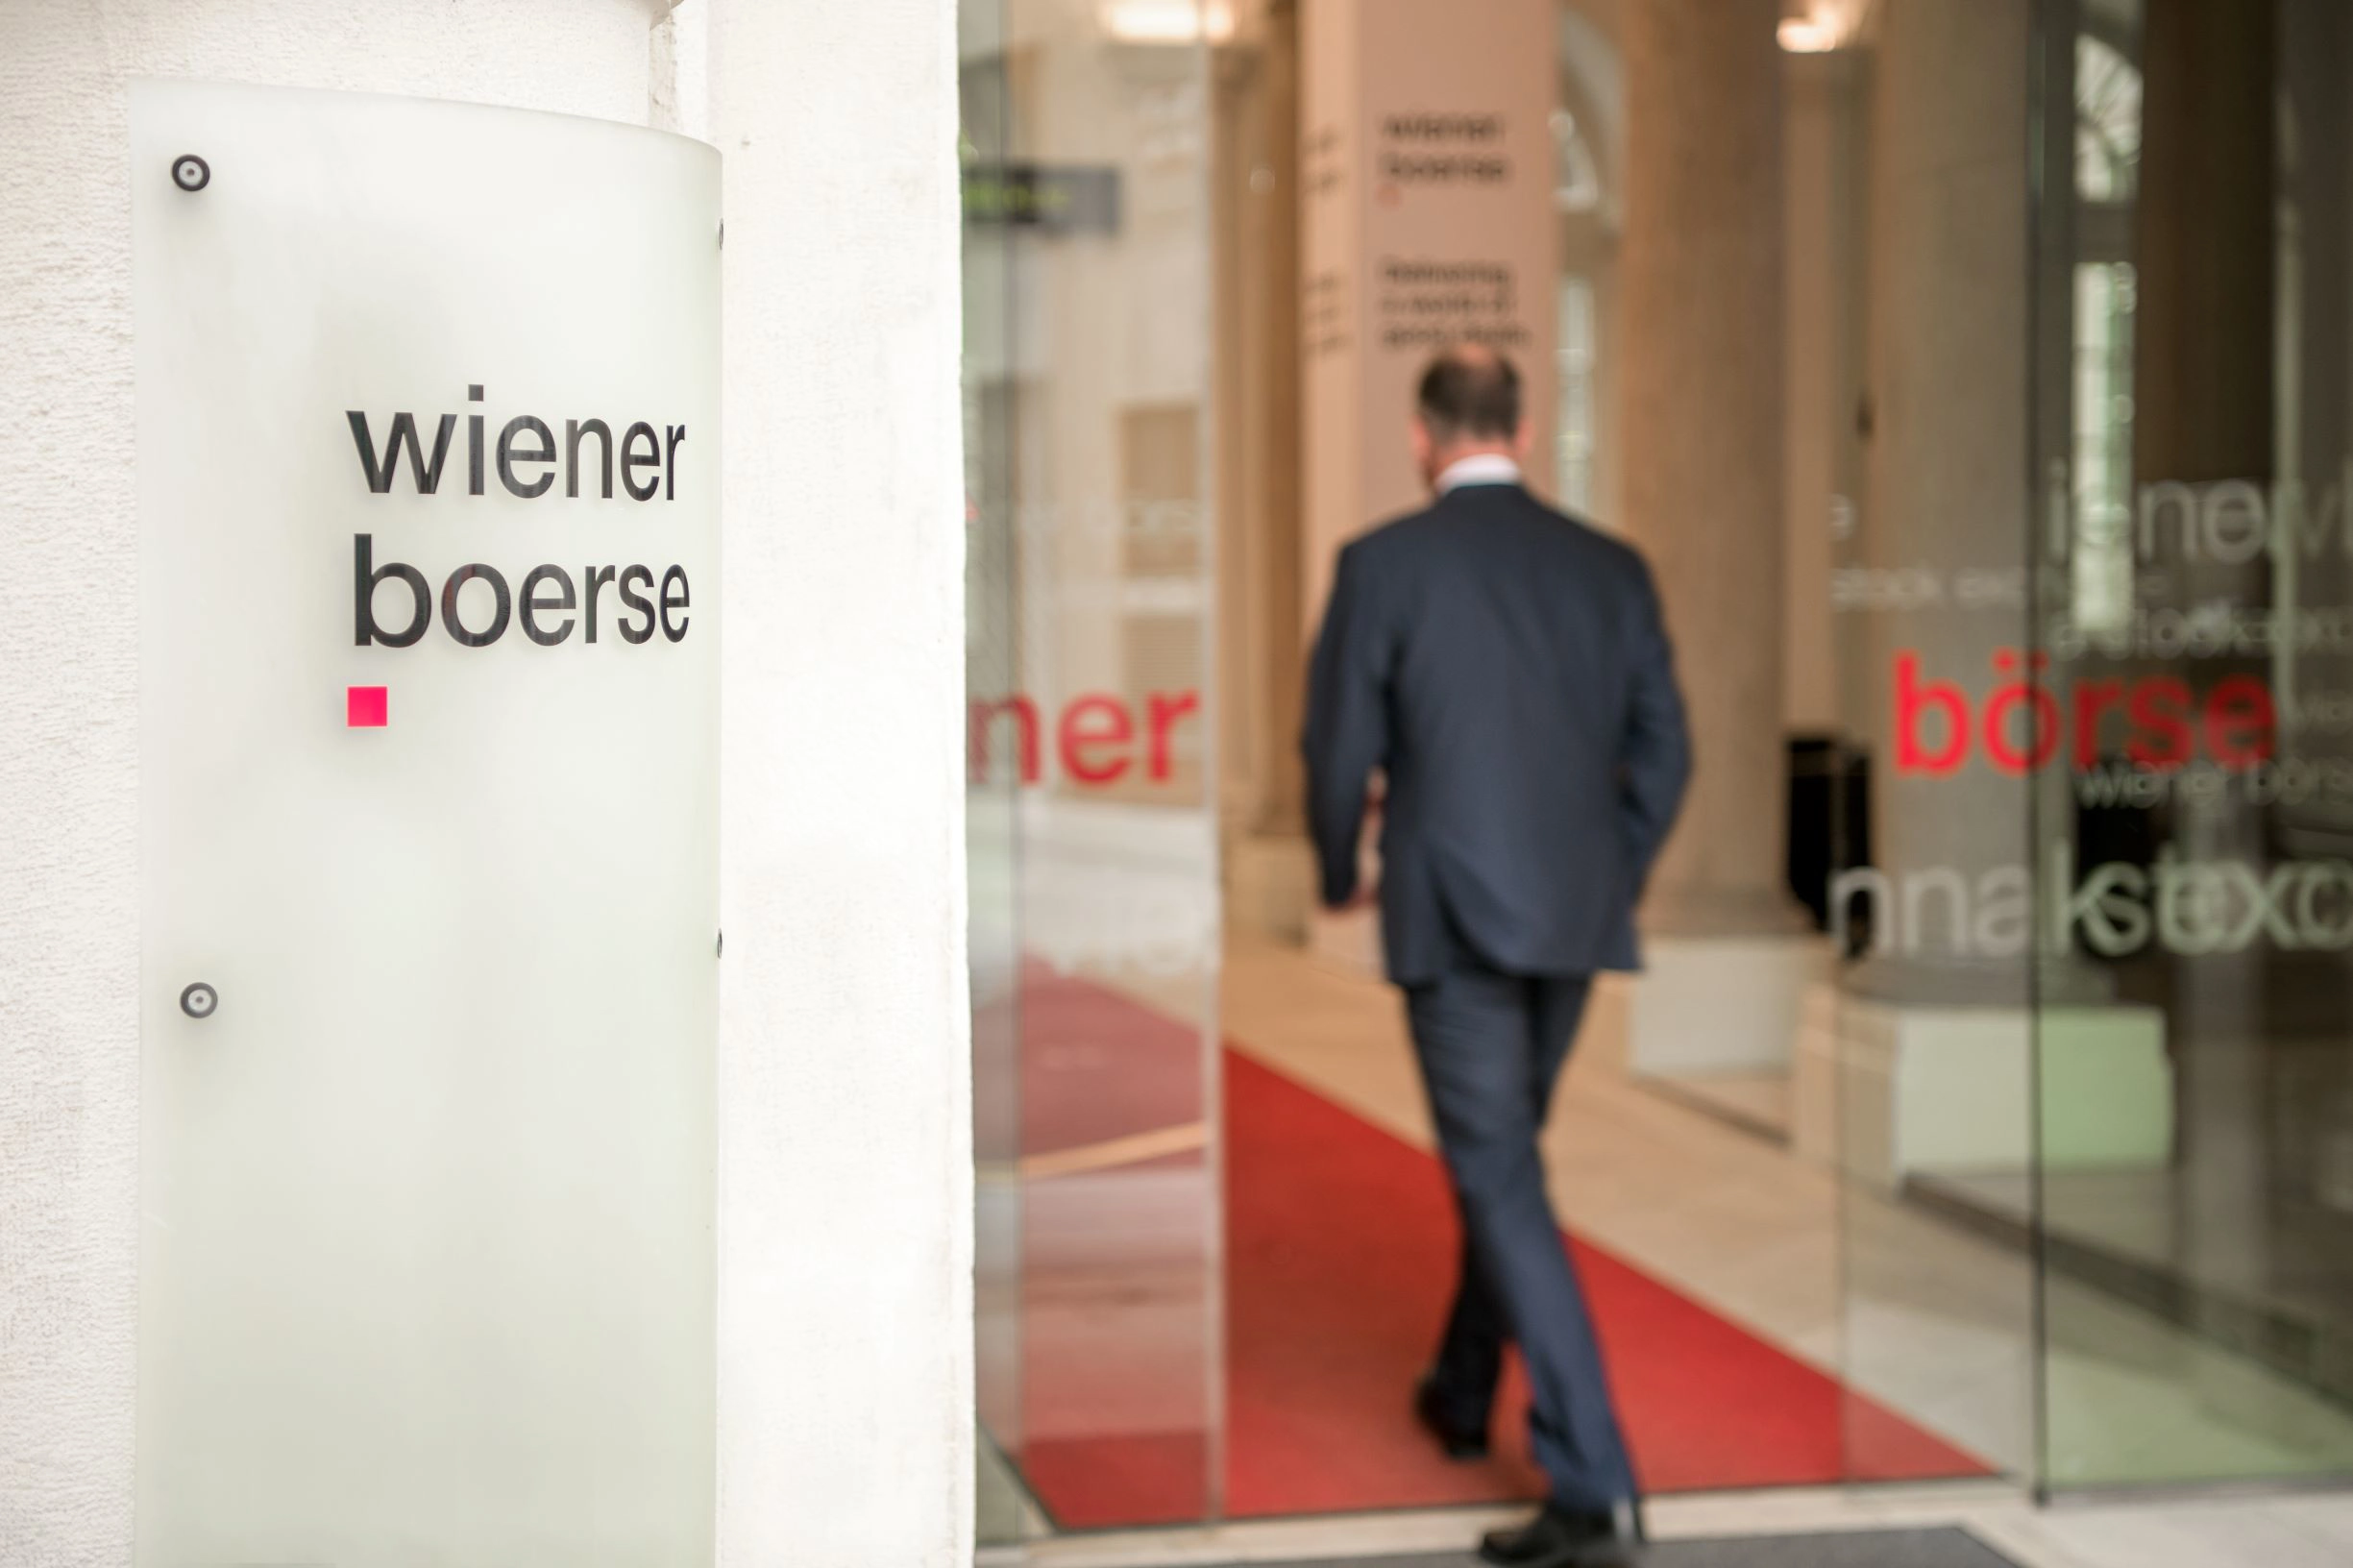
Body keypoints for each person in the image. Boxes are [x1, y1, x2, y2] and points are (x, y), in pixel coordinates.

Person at [1301, 344, 1691, 1567]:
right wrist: (1606, 872)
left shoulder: (1384, 565)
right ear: (1522, 431)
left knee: (1500, 1176)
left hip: (1454, 926)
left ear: (1424, 436)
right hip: (1572, 926)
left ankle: (1595, 1484)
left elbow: (1333, 751)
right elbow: (1667, 753)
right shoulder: (1608, 569)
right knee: (1503, 1163)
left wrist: (1336, 872)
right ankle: (1464, 1389)